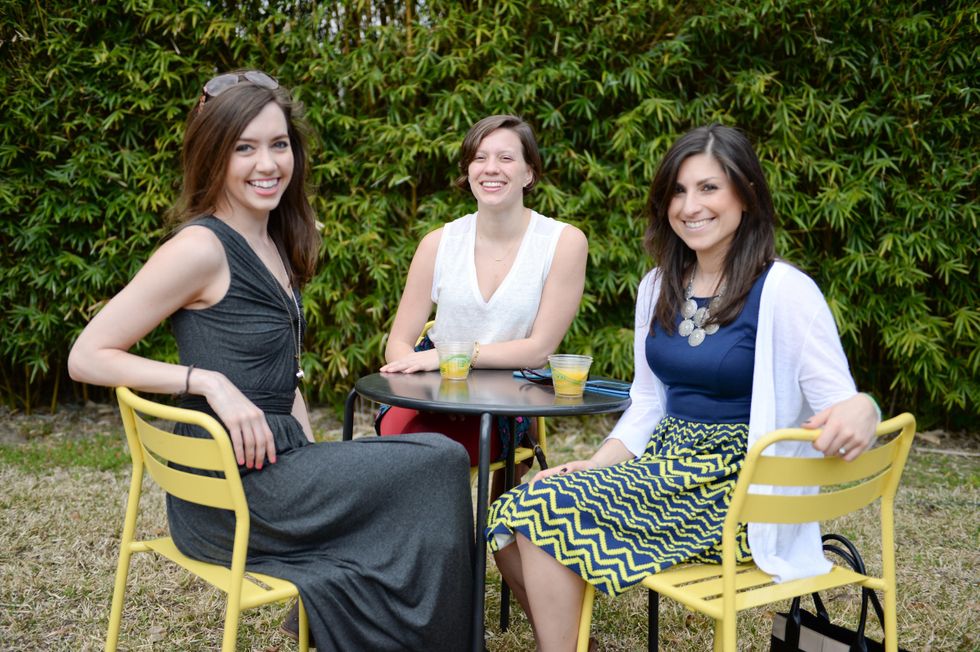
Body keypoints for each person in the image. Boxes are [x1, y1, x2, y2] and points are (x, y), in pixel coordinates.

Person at [67, 70, 473, 651]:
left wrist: (311, 453)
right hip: (232, 492)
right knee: (439, 461)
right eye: (245, 148)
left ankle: (386, 625)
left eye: (278, 144)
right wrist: (209, 382)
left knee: (427, 461)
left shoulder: (275, 240)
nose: (267, 164)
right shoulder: (200, 248)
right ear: (214, 156)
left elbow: (286, 380)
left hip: (275, 467)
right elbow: (87, 355)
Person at [484, 124, 881, 651]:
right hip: (666, 468)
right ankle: (567, 641)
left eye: (709, 188)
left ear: (747, 195)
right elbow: (649, 401)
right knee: (516, 504)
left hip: (737, 489)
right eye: (677, 190)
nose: (689, 205)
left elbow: (844, 401)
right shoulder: (657, 286)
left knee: (545, 507)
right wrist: (600, 462)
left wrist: (864, 408)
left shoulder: (784, 290)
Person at [378, 114, 589, 476]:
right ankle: (429, 533)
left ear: (529, 173)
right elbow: (398, 342)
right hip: (431, 392)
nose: (491, 169)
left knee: (449, 454)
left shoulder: (563, 242)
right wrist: (435, 383)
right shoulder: (438, 243)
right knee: (403, 443)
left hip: (508, 394)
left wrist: (454, 358)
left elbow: (539, 349)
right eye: (479, 158)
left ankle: (497, 526)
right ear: (468, 170)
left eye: (506, 158)